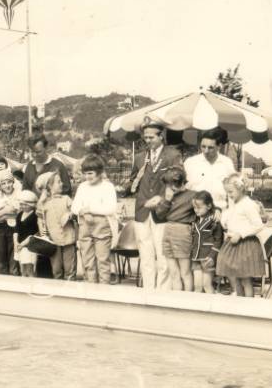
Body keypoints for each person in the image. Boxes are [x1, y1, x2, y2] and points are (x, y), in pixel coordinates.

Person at [123, 120, 182, 290]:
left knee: (163, 255)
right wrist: (126, 187)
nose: (147, 140)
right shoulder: (140, 157)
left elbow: (178, 180)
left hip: (162, 212)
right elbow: (133, 181)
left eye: (151, 137)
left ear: (161, 136)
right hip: (142, 211)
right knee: (146, 254)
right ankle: (148, 291)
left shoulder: (172, 155)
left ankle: (163, 292)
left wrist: (161, 198)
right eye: (145, 137)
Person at [71, 155, 118, 285]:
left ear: (100, 172)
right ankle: (90, 289)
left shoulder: (107, 186)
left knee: (102, 260)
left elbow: (110, 208)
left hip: (102, 226)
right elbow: (75, 207)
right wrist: (83, 212)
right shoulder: (82, 187)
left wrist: (88, 209)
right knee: (87, 260)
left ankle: (104, 291)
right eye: (85, 173)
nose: (88, 177)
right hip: (85, 226)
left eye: (90, 173)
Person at [216, 173, 265, 297]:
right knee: (232, 275)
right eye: (227, 192)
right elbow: (227, 222)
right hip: (232, 243)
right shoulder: (234, 204)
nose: (229, 195)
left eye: (231, 192)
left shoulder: (248, 205)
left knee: (245, 278)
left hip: (245, 244)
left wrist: (241, 234)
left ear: (241, 189)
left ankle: (248, 303)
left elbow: (258, 225)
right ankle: (239, 298)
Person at [151, 167, 197, 291]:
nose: (169, 189)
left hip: (183, 231)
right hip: (168, 230)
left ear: (182, 183)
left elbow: (204, 210)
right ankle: (177, 300)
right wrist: (167, 200)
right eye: (168, 185)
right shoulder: (167, 196)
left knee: (185, 272)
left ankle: (188, 299)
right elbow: (160, 215)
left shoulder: (192, 196)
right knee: (173, 272)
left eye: (172, 186)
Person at [37, 171, 77, 280]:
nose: (62, 183)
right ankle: (59, 292)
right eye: (58, 182)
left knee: (70, 269)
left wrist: (69, 215)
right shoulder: (43, 203)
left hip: (68, 239)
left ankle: (70, 290)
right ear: (49, 187)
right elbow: (40, 219)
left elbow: (75, 211)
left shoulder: (66, 199)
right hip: (53, 242)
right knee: (56, 270)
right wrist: (43, 232)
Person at [184, 128, 235, 210]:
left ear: (219, 146)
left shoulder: (227, 163)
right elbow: (184, 189)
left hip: (220, 211)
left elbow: (233, 190)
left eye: (210, 147)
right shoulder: (190, 163)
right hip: (195, 212)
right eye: (203, 146)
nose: (206, 151)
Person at [0, 169, 21, 275]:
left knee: (14, 260)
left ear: (13, 182)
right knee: (0, 261)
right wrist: (6, 212)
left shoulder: (18, 194)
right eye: (3, 183)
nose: (7, 186)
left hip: (15, 230)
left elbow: (19, 214)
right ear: (0, 186)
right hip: (0, 229)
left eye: (9, 182)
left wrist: (1, 214)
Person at [190, 191, 223, 294]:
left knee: (207, 285)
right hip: (196, 257)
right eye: (194, 208)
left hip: (208, 257)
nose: (196, 210)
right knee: (197, 286)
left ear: (208, 206)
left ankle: (213, 307)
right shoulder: (195, 220)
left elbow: (218, 240)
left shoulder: (214, 221)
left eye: (199, 208)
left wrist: (212, 256)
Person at [14, 190, 40, 277]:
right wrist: (16, 243)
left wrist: (22, 245)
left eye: (25, 204)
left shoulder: (35, 216)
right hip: (19, 246)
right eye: (21, 204)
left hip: (29, 246)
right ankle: (23, 287)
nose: (23, 206)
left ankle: (32, 287)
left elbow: (33, 233)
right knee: (22, 270)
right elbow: (16, 230)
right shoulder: (19, 215)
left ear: (32, 204)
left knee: (30, 269)